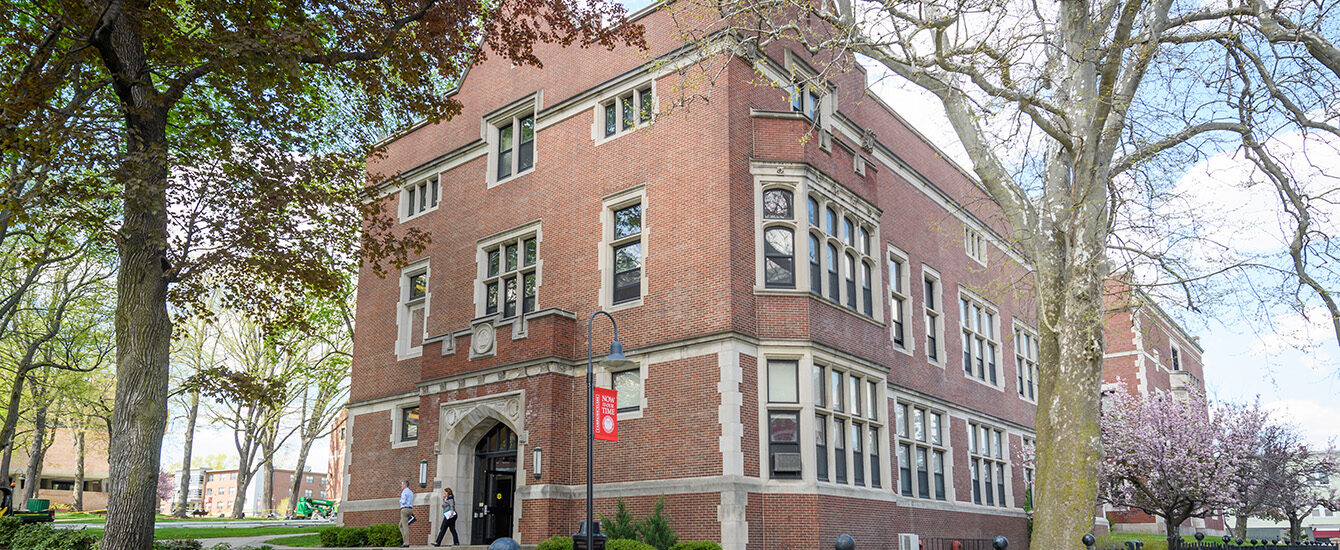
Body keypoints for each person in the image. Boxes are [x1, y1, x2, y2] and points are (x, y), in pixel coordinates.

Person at [398, 479, 415, 548]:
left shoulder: (404, 492)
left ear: (405, 485)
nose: (401, 486)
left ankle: (406, 543)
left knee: (405, 526)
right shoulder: (411, 492)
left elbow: (403, 501)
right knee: (400, 525)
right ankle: (404, 540)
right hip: (410, 509)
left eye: (402, 484)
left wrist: (400, 501)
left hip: (404, 509)